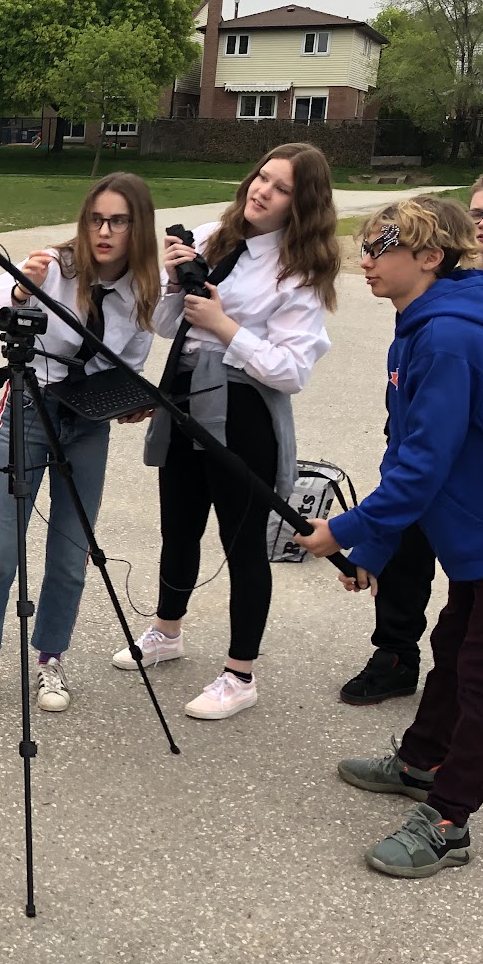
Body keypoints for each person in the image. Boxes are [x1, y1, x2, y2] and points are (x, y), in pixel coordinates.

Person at [296, 198, 483, 877]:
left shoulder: (449, 339)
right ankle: (420, 762)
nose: (364, 261)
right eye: (364, 246)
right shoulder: (419, 328)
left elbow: (423, 468)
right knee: (452, 646)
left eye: (381, 248)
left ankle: (451, 820)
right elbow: (407, 452)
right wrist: (371, 549)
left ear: (430, 257)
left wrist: (343, 530)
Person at [114, 143, 339, 720]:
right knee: (179, 526)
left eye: (282, 188)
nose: (262, 191)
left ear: (303, 204)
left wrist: (224, 325)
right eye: (262, 177)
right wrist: (173, 282)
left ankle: (240, 674)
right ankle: (167, 631)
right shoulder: (214, 236)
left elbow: (292, 371)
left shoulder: (300, 270)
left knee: (242, 544)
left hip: (242, 410)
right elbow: (169, 326)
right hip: (186, 393)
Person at [339, 168, 483, 704]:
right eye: (478, 212)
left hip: (479, 474)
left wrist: (343, 529)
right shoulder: (432, 301)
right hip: (425, 452)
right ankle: (395, 653)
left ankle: (452, 717)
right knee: (405, 557)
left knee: (473, 625)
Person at [0, 173, 159, 718]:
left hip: (88, 422)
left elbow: (129, 364)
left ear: (138, 227)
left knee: (70, 554)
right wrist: (20, 291)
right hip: (30, 409)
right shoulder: (53, 267)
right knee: (1, 550)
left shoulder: (143, 289)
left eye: (118, 221)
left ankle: (51, 658)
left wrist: (131, 401)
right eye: (96, 219)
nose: (104, 232)